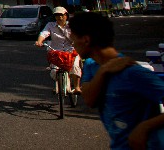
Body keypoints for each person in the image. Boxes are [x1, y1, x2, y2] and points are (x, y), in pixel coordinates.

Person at [70, 11, 164, 150]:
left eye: (73, 40)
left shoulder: (132, 72)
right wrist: (103, 71)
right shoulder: (91, 65)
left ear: (86, 40)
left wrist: (145, 127)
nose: (73, 45)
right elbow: (90, 100)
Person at [35, 6, 81, 94]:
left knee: (75, 67)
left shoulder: (72, 25)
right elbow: (44, 33)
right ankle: (59, 85)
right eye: (57, 15)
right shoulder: (50, 25)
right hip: (56, 51)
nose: (59, 17)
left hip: (71, 50)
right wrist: (39, 41)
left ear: (66, 16)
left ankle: (77, 87)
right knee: (54, 70)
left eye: (61, 15)